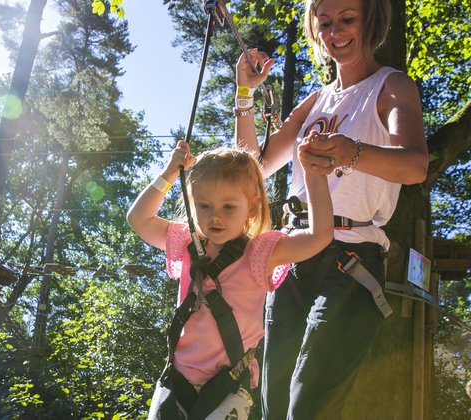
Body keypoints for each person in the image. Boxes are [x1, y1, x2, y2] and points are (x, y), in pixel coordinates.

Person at [233, 0, 429, 417]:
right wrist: (245, 95)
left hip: (352, 257)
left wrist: (350, 153)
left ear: (370, 22)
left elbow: (415, 165)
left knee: (308, 403)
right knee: (274, 403)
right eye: (325, 23)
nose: (335, 32)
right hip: (293, 254)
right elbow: (253, 167)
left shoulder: (392, 86)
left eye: (347, 20)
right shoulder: (315, 101)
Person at [127, 140, 336, 419]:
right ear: (193, 205)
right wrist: (169, 173)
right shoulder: (187, 244)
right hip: (177, 380)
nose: (215, 216)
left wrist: (314, 175)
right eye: (204, 205)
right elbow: (138, 218)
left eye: (228, 206)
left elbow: (319, 237)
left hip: (228, 385)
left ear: (251, 209)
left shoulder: (259, 253)